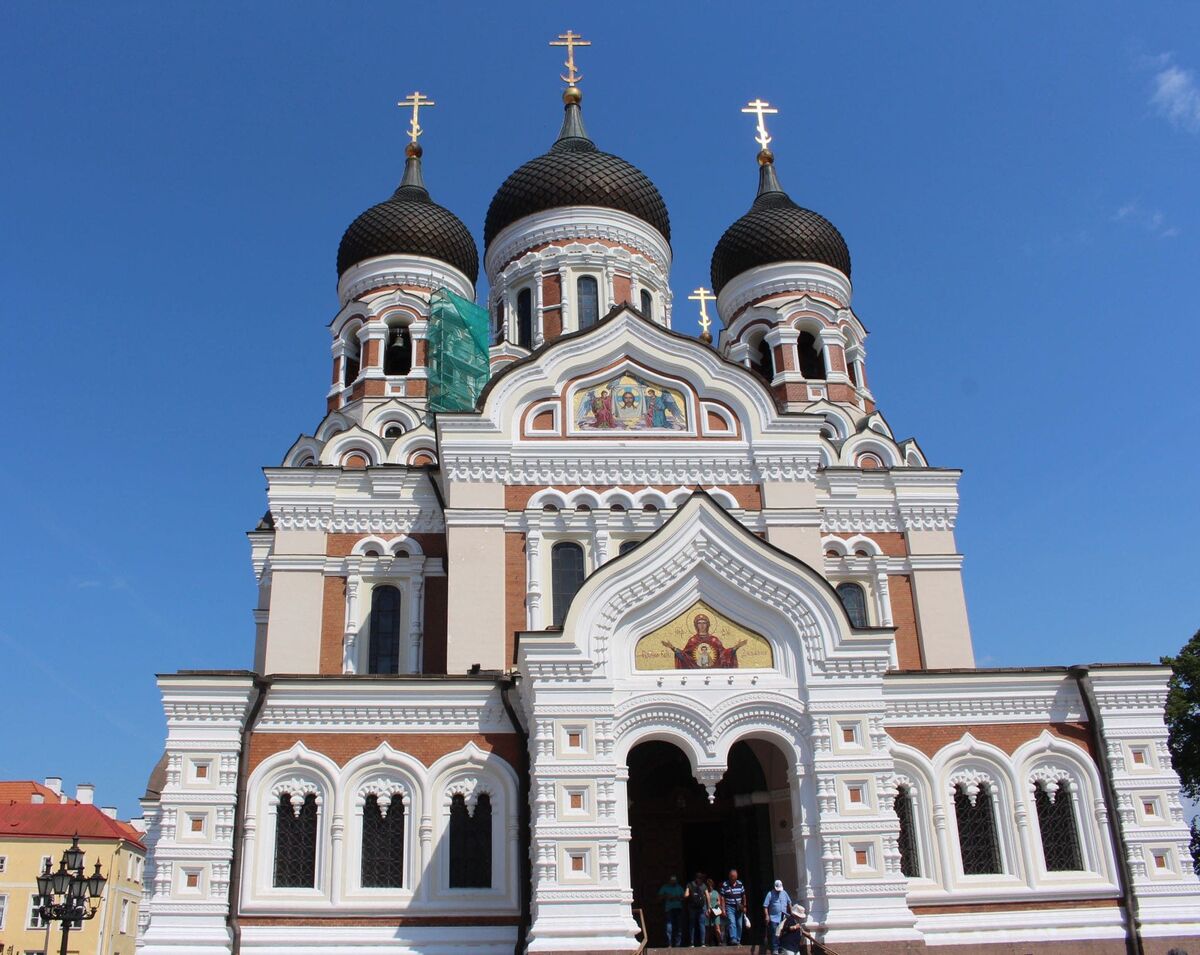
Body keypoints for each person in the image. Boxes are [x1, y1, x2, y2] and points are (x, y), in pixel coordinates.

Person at [762, 880, 793, 954]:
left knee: (783, 933)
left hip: (784, 917)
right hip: (774, 917)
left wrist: (792, 913)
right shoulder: (770, 894)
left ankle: (782, 947)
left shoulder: (784, 893)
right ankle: (775, 949)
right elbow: (765, 906)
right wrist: (766, 915)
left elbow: (789, 902)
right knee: (775, 933)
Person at [719, 868, 746, 945]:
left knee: (740, 924)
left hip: (739, 907)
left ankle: (738, 940)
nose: (733, 878)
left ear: (736, 877)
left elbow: (743, 895)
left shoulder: (740, 884)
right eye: (731, 876)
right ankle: (733, 938)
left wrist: (744, 906)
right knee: (732, 922)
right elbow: (722, 898)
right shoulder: (725, 885)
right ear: (729, 876)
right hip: (729, 906)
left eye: (734, 876)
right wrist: (723, 909)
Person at [657, 874, 685, 947]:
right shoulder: (665, 887)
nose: (673, 882)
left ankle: (677, 944)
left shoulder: (679, 887)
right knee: (669, 926)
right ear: (669, 881)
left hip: (678, 909)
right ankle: (669, 943)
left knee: (678, 927)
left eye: (674, 881)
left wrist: (678, 898)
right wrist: (666, 896)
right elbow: (659, 898)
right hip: (669, 909)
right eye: (672, 881)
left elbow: (684, 897)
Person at [685, 871, 708, 947]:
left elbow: (686, 895)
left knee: (692, 925)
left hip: (692, 907)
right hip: (702, 907)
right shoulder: (704, 885)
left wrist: (685, 896)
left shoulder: (690, 884)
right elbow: (707, 896)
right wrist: (709, 907)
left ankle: (692, 943)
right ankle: (703, 943)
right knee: (702, 924)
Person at [705, 877, 724, 945]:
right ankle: (707, 943)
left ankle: (719, 942)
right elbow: (704, 903)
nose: (710, 887)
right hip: (708, 912)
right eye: (708, 885)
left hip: (715, 911)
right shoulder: (705, 893)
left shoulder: (716, 892)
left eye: (711, 885)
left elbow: (719, 901)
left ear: (712, 885)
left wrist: (716, 908)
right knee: (708, 929)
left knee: (717, 927)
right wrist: (707, 910)